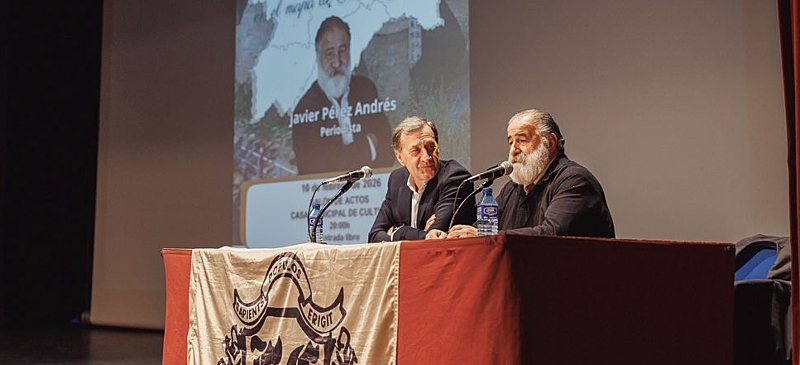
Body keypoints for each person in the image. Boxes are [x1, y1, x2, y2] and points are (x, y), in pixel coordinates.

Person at [448, 109, 615, 238]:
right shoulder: (513, 189)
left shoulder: (574, 180)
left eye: (522, 140)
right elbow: (479, 230)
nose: (513, 150)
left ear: (550, 142)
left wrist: (483, 236)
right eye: (511, 142)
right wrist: (455, 236)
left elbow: (553, 234)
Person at [291, 16, 393, 175]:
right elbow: (315, 169)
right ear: (318, 56)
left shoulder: (366, 89)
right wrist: (368, 146)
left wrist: (339, 154)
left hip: (373, 186)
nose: (337, 62)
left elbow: (387, 149)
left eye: (342, 50)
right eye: (329, 53)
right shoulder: (304, 109)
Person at [368, 116, 475, 242]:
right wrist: (415, 232)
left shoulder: (455, 177)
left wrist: (395, 231)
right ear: (400, 157)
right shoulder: (397, 180)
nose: (426, 157)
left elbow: (435, 237)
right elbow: (374, 236)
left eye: (431, 147)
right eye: (416, 150)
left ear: (438, 147)